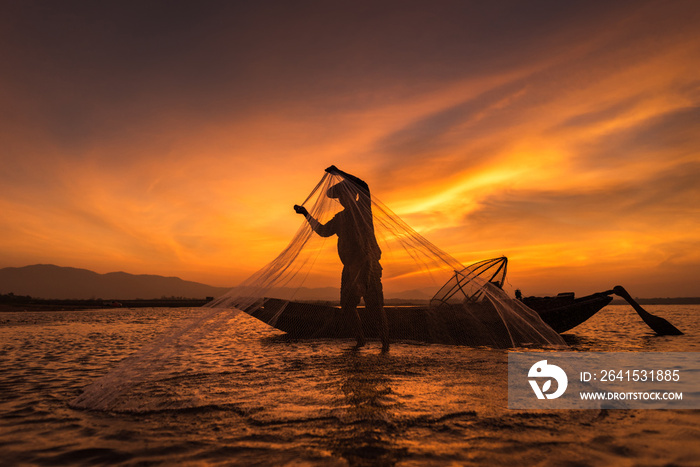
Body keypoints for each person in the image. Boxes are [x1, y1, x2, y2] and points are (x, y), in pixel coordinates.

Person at [294, 166, 389, 352]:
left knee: (375, 307)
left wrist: (339, 172)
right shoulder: (340, 218)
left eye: (346, 196)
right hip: (350, 269)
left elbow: (364, 186)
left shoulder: (363, 210)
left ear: (353, 196)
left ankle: (385, 344)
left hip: (368, 265)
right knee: (347, 306)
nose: (343, 200)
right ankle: (360, 340)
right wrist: (306, 214)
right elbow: (322, 231)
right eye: (340, 198)